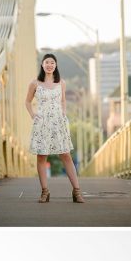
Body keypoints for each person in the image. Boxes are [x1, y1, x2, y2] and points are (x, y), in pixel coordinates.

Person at [26, 53, 85, 203]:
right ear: (42, 64)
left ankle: (77, 192)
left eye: (52, 62)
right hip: (42, 123)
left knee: (66, 155)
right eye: (47, 62)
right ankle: (45, 192)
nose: (49, 65)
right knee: (41, 156)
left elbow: (63, 101)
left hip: (58, 122)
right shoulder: (35, 84)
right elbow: (27, 102)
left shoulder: (62, 83)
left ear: (56, 65)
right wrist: (33, 115)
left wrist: (64, 114)